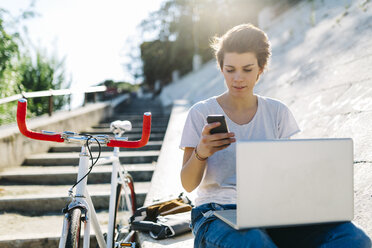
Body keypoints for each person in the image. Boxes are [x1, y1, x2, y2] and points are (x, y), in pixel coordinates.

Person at [179, 23, 371, 248]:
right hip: (216, 215)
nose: (238, 78)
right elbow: (188, 185)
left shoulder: (277, 112)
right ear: (221, 68)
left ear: (261, 68)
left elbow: (287, 179)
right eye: (230, 70)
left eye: (247, 69)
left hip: (272, 213)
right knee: (255, 242)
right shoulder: (200, 113)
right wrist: (201, 153)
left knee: (353, 238)